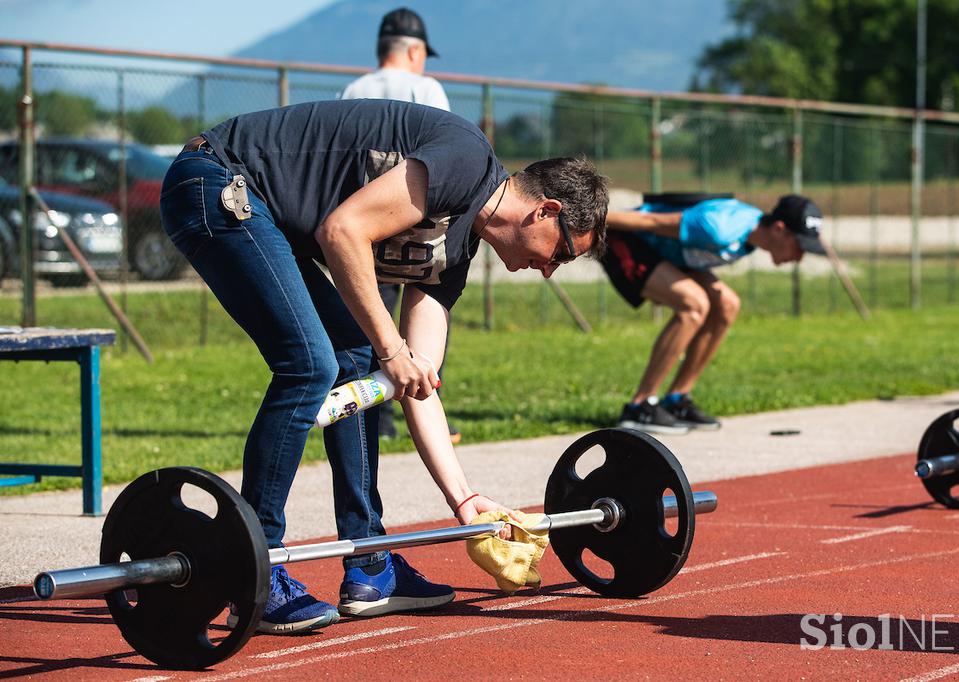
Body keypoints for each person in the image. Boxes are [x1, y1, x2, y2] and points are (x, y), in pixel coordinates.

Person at [159, 98, 608, 634]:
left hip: (265, 213)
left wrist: (463, 500)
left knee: (356, 361)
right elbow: (343, 231)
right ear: (547, 211)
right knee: (309, 365)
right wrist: (393, 353)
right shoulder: (467, 160)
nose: (550, 272)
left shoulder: (456, 252)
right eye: (560, 253)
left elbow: (418, 382)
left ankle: (370, 562)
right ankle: (250, 567)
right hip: (217, 180)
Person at [601, 194, 826, 434]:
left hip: (669, 253)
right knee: (694, 305)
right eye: (799, 245)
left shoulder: (751, 233)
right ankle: (640, 406)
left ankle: (677, 399)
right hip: (627, 240)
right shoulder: (720, 227)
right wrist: (589, 220)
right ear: (779, 229)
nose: (800, 256)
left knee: (728, 305)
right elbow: (650, 222)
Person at [341, 7, 455, 442]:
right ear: (412, 50)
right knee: (425, 314)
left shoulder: (355, 87)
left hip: (361, 217)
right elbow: (445, 150)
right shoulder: (425, 87)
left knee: (368, 314)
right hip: (413, 220)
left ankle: (375, 415)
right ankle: (422, 401)